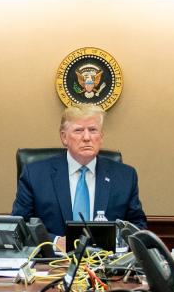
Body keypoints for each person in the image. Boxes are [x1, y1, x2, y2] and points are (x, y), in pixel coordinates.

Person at [12, 104, 147, 248]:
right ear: (64, 137)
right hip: (53, 263)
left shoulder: (125, 176)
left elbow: (137, 226)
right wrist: (55, 241)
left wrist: (115, 241)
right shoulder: (35, 175)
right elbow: (20, 226)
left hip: (106, 264)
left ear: (101, 137)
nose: (87, 137)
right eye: (79, 130)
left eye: (93, 130)